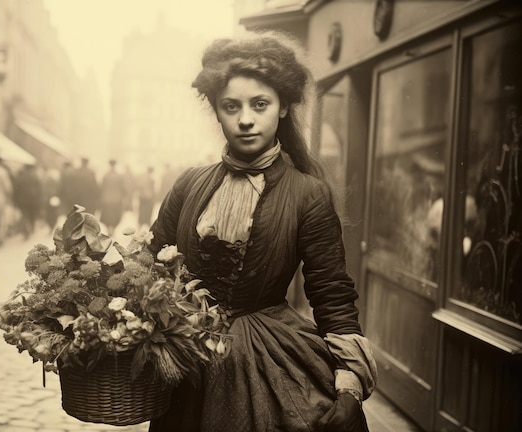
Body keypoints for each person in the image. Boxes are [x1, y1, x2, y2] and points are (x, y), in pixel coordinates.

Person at [147, 31, 377, 431]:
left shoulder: (308, 194)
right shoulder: (189, 184)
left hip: (264, 359)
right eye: (231, 106)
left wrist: (350, 381)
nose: (246, 119)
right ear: (216, 111)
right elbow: (149, 265)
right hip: (187, 357)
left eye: (260, 104)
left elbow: (331, 292)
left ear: (283, 106)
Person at [13, 163, 43, 239]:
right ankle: (31, 228)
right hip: (33, 200)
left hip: (22, 201)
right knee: (32, 215)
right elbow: (40, 189)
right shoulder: (35, 176)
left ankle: (26, 230)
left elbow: (16, 189)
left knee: (25, 215)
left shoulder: (20, 177)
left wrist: (15, 200)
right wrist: (39, 199)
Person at [99, 159, 127, 236]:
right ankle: (113, 230)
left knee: (107, 216)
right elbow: (123, 188)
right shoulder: (119, 176)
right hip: (117, 199)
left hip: (107, 199)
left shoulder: (106, 175)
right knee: (115, 216)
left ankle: (109, 229)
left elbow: (102, 187)